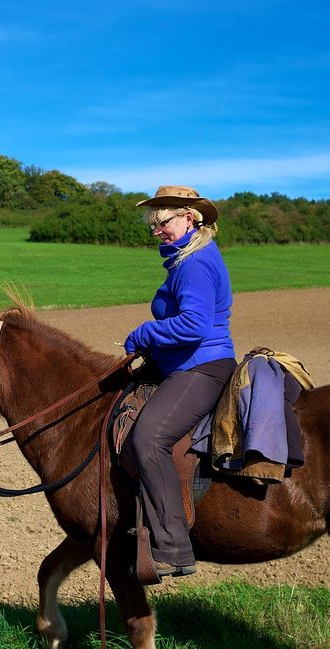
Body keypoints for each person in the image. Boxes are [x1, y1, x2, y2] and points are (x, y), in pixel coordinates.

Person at [121, 185, 236, 582]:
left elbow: (194, 324)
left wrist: (143, 335)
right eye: (153, 225)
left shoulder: (195, 263)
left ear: (190, 217)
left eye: (164, 222)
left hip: (202, 368)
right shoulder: (184, 259)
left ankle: (173, 548)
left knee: (149, 438)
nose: (158, 231)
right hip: (182, 365)